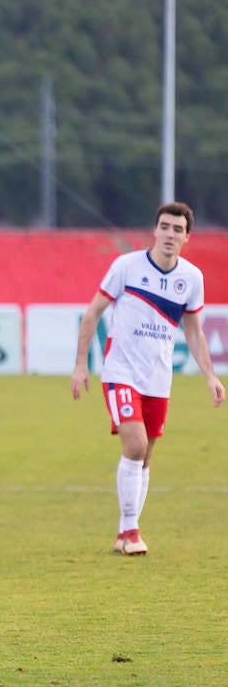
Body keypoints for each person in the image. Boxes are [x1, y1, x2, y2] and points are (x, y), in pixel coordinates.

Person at [71, 202, 224, 555]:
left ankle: (123, 535)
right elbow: (93, 312)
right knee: (135, 446)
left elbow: (195, 333)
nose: (170, 234)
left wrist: (211, 377)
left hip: (158, 378)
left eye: (177, 229)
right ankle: (132, 530)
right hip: (120, 372)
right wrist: (82, 364)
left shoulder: (192, 279)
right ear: (154, 230)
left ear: (187, 237)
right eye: (165, 227)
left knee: (146, 456)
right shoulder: (126, 267)